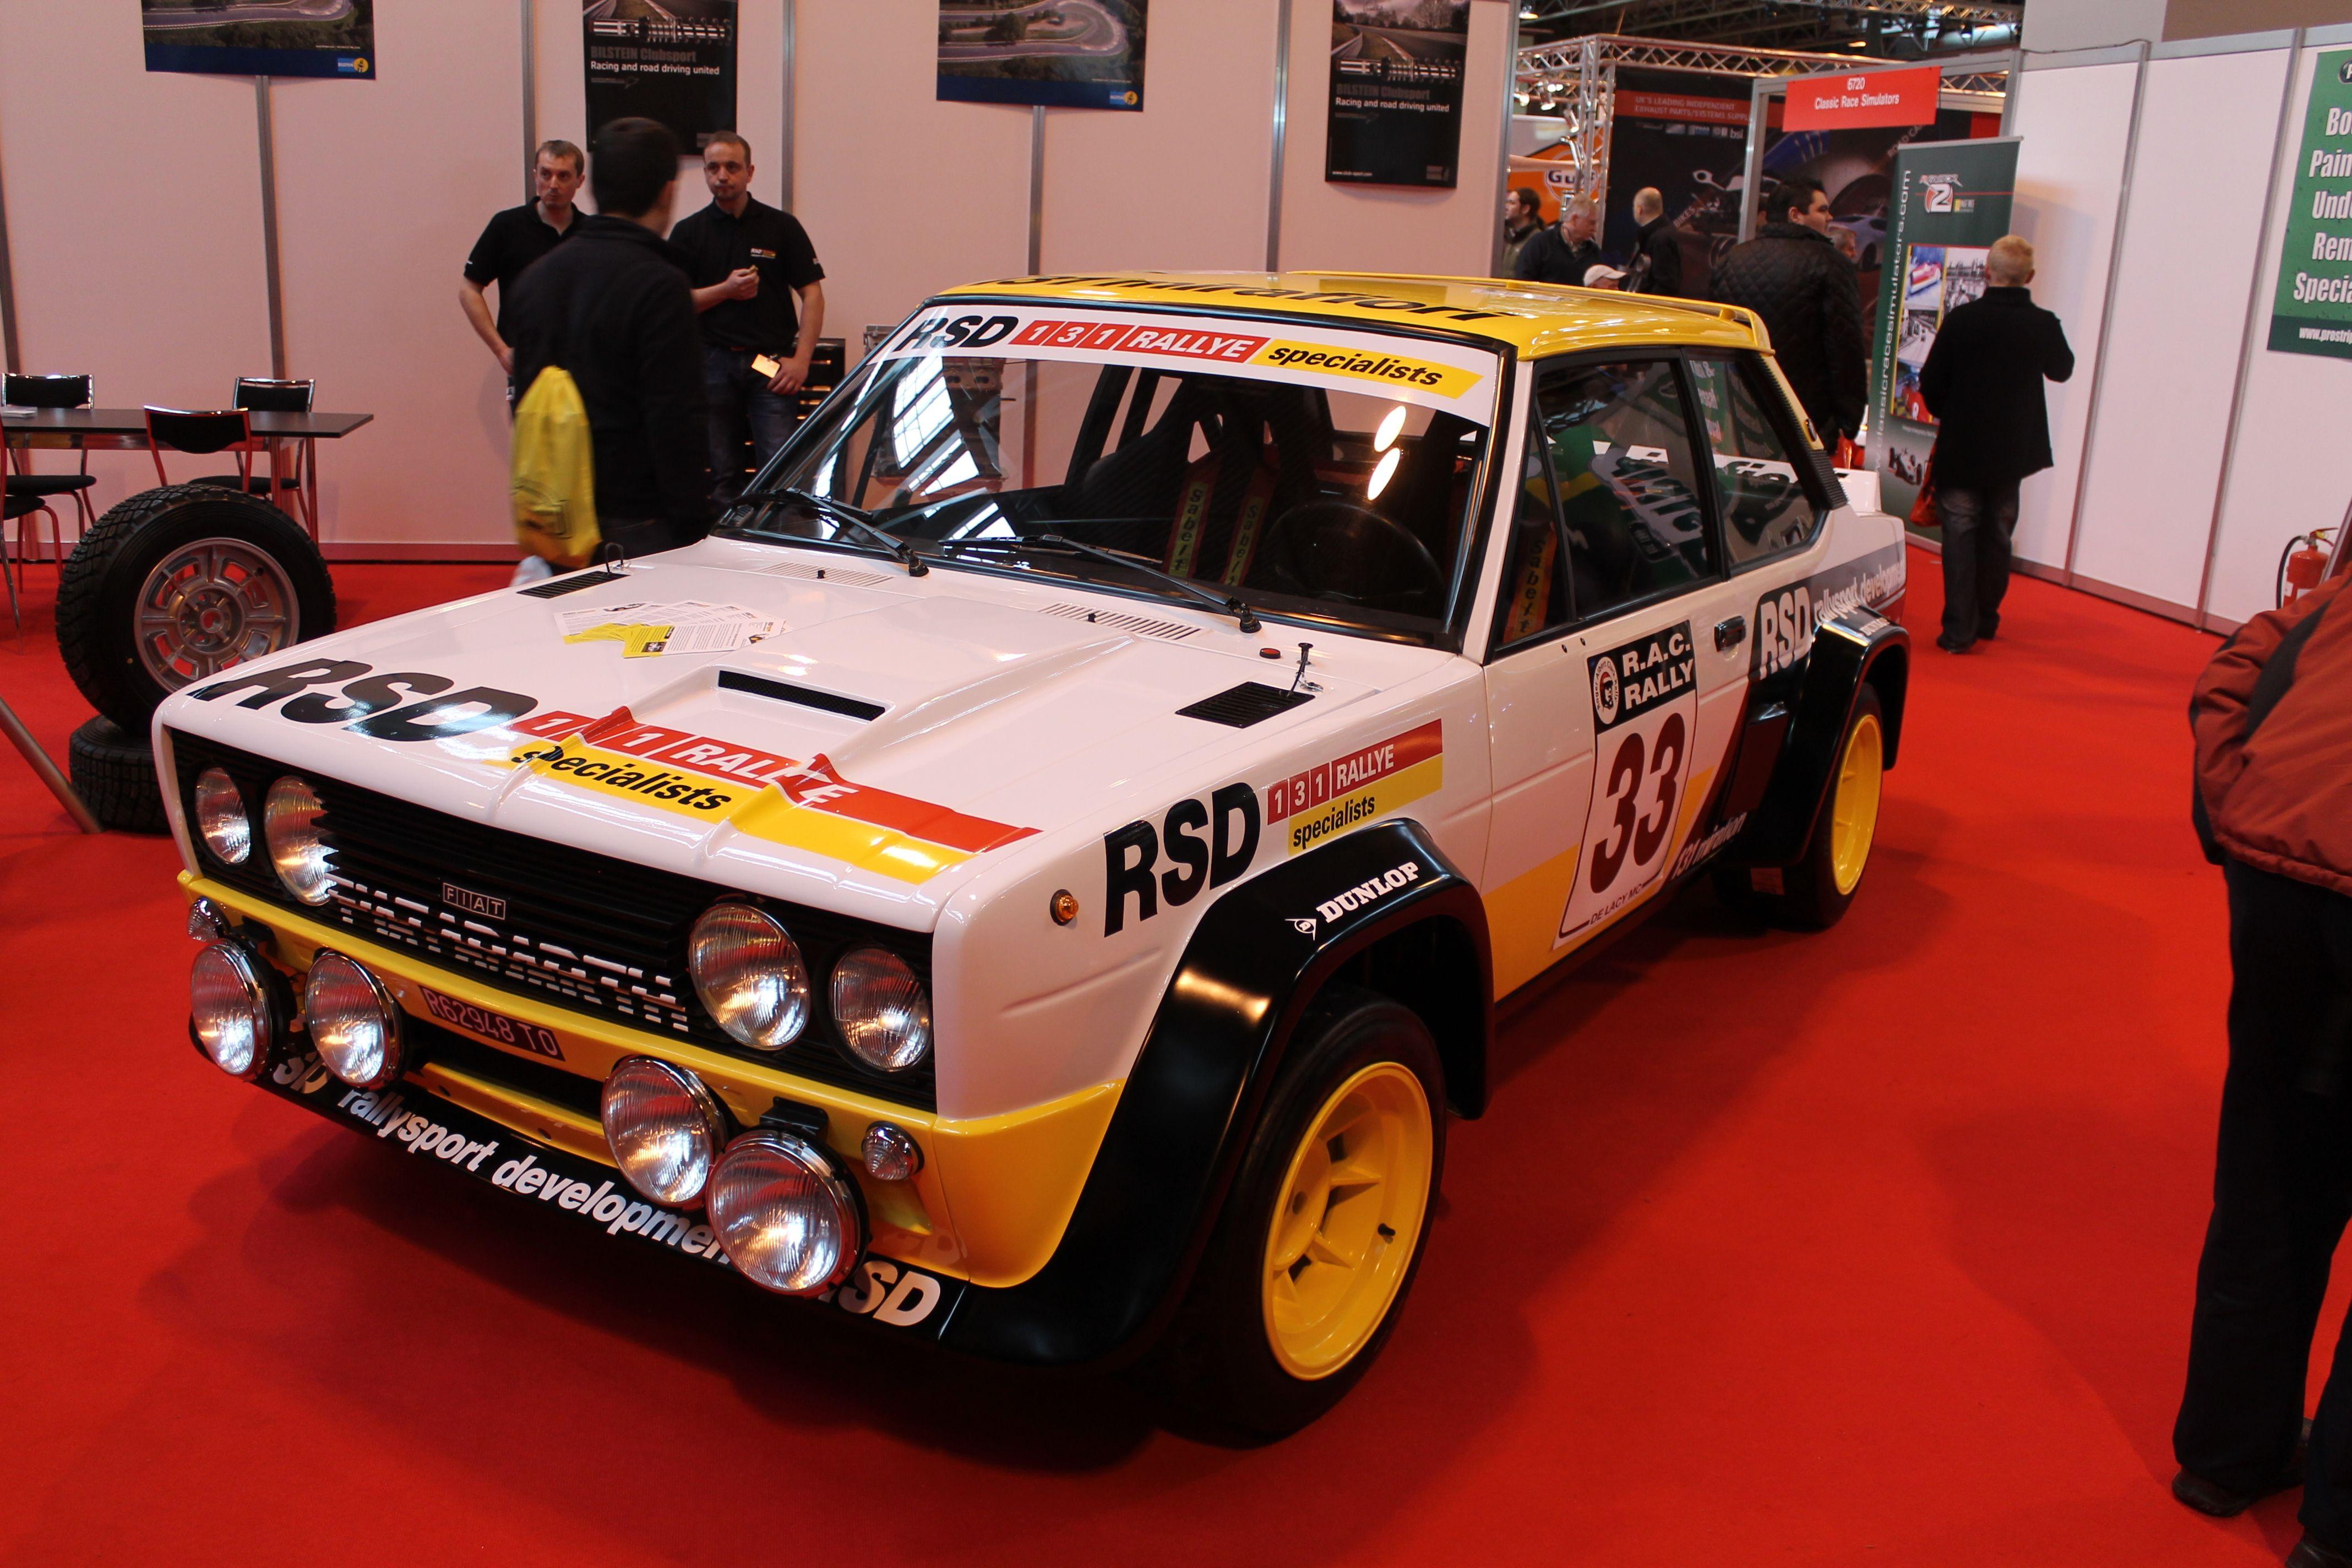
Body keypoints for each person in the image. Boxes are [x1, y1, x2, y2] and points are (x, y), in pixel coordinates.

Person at [2174, 562, 2352, 1568]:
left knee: (2271, 1173)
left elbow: (2243, 660)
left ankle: (2226, 1455)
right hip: (2287, 857)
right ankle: (2339, 1526)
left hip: (2284, 873)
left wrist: (2235, 803)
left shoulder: (2334, 598)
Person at [504, 117, 709, 558]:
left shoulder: (536, 279)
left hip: (555, 515)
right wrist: (695, 526)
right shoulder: (660, 285)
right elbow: (675, 420)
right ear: (667, 192)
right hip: (637, 521)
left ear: (592, 187)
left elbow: (525, 404)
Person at [1916, 235, 2074, 654]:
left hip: (1963, 445)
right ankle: (1987, 618)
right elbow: (2063, 369)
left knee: (1960, 534)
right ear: (2030, 276)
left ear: (1987, 272)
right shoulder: (2043, 323)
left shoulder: (1963, 320)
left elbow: (1931, 382)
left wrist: (1950, 412)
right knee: (1998, 533)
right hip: (2013, 450)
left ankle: (1958, 631)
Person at [668, 132, 828, 503]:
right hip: (712, 363)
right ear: (705, 173)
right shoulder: (688, 232)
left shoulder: (781, 227)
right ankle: (726, 537)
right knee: (722, 474)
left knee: (778, 470)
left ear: (750, 172)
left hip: (767, 364)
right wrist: (725, 290)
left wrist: (801, 360)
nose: (722, 176)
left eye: (732, 167)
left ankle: (775, 536)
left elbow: (813, 294)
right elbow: (675, 304)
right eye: (713, 168)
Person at [1708, 177, 1866, 448]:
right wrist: (1849, 419)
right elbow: (1845, 345)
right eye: (1822, 210)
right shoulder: (1832, 265)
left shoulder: (1732, 260)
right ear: (1796, 215)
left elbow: (1713, 337)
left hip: (1738, 410)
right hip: (1804, 415)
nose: (1830, 217)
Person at [459, 140, 586, 382]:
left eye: (563, 176)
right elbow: (469, 290)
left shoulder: (590, 232)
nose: (553, 185)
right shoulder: (507, 226)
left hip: (582, 367)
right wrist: (501, 350)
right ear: (535, 175)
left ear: (580, 181)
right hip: (527, 367)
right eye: (546, 174)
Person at [1513, 196, 1602, 288]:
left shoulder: (1594, 252)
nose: (1595, 228)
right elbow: (1523, 282)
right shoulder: (1540, 244)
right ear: (1574, 219)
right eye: (1592, 223)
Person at [1625, 187, 1685, 297]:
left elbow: (1665, 284)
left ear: (1639, 209)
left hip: (1651, 306)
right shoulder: (1665, 234)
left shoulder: (1660, 240)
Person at [1500, 187, 1544, 276]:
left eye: (1512, 203)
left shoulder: (1537, 240)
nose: (1506, 207)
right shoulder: (1506, 236)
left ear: (1525, 209)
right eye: (1507, 202)